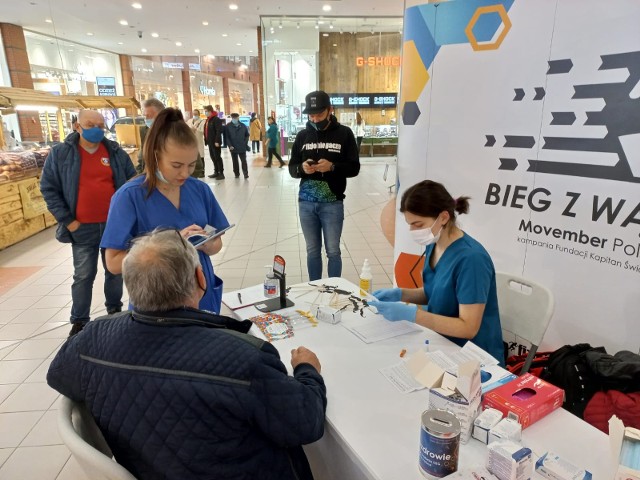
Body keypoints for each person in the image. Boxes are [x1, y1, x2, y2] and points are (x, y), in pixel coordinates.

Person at [47, 228, 327, 480]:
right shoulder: (243, 357)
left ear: (131, 285)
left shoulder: (94, 337)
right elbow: (305, 424)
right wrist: (307, 370)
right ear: (199, 277)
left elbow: (58, 376)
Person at [101, 108, 230, 313]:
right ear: (156, 156)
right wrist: (172, 243)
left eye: (191, 165)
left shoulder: (199, 190)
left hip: (201, 297)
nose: (185, 173)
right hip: (156, 304)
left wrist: (204, 243)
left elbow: (217, 244)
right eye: (176, 165)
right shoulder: (130, 197)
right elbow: (114, 263)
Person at [368, 180, 504, 364]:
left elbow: (468, 328)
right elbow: (436, 292)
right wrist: (401, 294)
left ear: (443, 217)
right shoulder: (435, 244)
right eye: (410, 224)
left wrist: (412, 315)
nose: (413, 231)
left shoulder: (472, 260)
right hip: (440, 341)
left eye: (418, 224)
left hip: (472, 356)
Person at [40, 110, 136, 337]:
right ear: (77, 126)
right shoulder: (61, 154)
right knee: (84, 274)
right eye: (90, 124)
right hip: (81, 227)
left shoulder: (114, 152)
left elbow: (132, 180)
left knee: (115, 271)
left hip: (114, 226)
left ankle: (114, 313)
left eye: (100, 125)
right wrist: (68, 220)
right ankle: (80, 321)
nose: (96, 129)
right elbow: (48, 188)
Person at [289, 90, 360, 281]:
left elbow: (354, 168)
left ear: (330, 110)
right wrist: (302, 169)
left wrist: (333, 166)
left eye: (319, 114)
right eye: (311, 115)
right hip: (306, 203)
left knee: (333, 251)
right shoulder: (303, 135)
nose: (314, 118)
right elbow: (291, 167)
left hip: (332, 203)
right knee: (312, 251)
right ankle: (315, 287)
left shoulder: (344, 134)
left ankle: (333, 288)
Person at [137, 98, 165, 173]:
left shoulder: (176, 131)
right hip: (151, 178)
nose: (146, 119)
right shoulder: (145, 131)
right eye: (145, 116)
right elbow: (142, 159)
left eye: (149, 116)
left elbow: (195, 165)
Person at [225, 113, 250, 179]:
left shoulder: (243, 126)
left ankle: (245, 173)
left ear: (238, 118)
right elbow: (227, 137)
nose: (235, 119)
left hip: (242, 146)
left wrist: (245, 142)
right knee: (235, 161)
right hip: (233, 147)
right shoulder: (228, 126)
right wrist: (230, 145)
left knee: (243, 160)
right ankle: (236, 173)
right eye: (234, 118)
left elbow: (247, 135)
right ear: (232, 118)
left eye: (236, 118)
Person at [203, 105, 224, 179]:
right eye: (205, 111)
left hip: (215, 142)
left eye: (206, 111)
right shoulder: (208, 120)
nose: (205, 113)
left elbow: (219, 131)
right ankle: (216, 171)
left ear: (210, 111)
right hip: (210, 142)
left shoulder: (216, 119)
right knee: (213, 157)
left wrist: (217, 141)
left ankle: (221, 173)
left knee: (217, 157)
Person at [186, 109, 205, 178]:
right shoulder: (189, 121)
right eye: (194, 114)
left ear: (199, 114)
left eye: (196, 114)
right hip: (190, 141)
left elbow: (203, 130)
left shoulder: (202, 121)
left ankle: (202, 172)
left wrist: (195, 129)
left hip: (198, 140)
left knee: (201, 156)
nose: (195, 115)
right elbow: (185, 128)